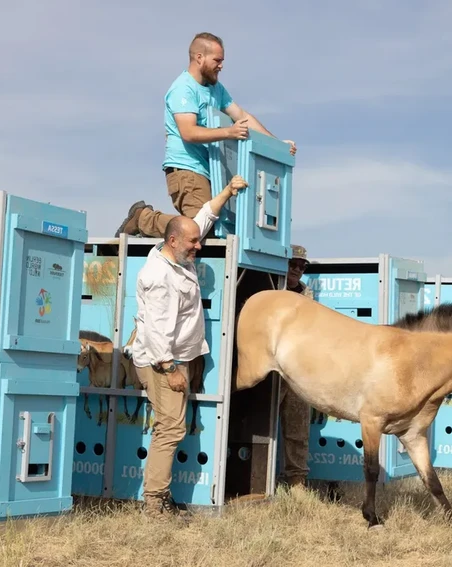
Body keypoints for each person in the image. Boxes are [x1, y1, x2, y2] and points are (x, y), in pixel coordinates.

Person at [131, 175, 247, 520]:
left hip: (185, 356)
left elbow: (204, 218)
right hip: (164, 362)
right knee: (170, 429)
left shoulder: (179, 250)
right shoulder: (160, 277)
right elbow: (156, 330)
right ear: (172, 240)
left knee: (174, 426)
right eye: (193, 243)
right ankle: (155, 503)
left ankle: (161, 498)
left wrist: (228, 190)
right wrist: (169, 368)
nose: (200, 246)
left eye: (197, 241)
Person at [115, 32, 296, 238]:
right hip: (186, 169)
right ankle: (143, 218)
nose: (221, 66)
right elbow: (189, 132)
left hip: (209, 171)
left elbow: (242, 116)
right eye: (217, 60)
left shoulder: (216, 89)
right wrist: (229, 132)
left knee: (214, 229)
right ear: (199, 57)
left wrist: (277, 144)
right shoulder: (183, 89)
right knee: (199, 228)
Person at [276, 244, 314, 488]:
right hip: (271, 371)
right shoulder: (271, 289)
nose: (297, 270)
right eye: (293, 264)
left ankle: (297, 482)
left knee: (298, 429)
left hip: (298, 372)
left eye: (301, 266)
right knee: (261, 425)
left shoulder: (307, 296)